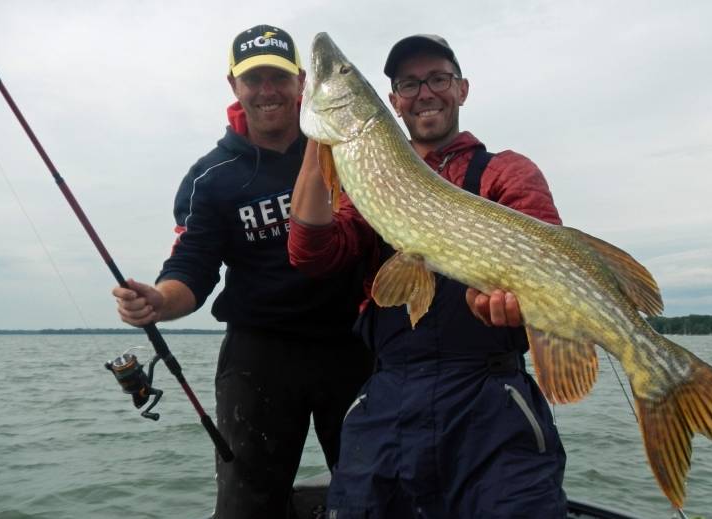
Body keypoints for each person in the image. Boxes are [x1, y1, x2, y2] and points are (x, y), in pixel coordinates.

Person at [289, 34, 568, 518]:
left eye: (438, 78)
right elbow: (312, 253)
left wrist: (513, 309)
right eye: (408, 84)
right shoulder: (366, 180)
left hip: (491, 403)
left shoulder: (507, 172)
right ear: (393, 102)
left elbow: (549, 271)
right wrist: (321, 139)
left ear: (462, 89)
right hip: (390, 397)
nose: (425, 92)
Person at [112, 24, 372, 519]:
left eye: (278, 77)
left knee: (377, 486)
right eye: (254, 79)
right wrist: (160, 301)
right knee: (247, 501)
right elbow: (192, 266)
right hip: (260, 353)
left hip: (354, 341)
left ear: (301, 83)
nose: (267, 91)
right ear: (234, 85)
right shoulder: (212, 178)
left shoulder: (345, 145)